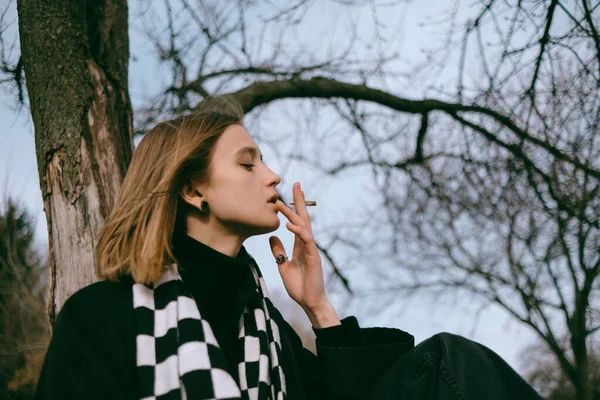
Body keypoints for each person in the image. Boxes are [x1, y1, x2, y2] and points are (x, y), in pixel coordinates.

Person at [34, 96, 542, 400]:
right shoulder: (102, 319)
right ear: (193, 191)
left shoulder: (267, 330)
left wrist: (318, 308)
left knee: (445, 366)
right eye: (249, 163)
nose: (274, 176)